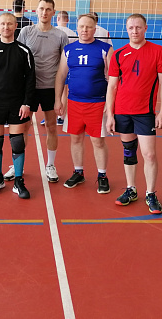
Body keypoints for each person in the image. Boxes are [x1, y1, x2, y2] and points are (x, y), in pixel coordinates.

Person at [106, 14, 162, 214]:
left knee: (149, 154)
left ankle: (150, 193)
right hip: (123, 111)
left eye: (138, 27)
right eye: (131, 28)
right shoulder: (119, 54)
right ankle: (131, 189)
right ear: (126, 29)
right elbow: (112, 87)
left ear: (145, 28)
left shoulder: (158, 51)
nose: (134, 31)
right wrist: (110, 115)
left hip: (145, 112)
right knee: (129, 151)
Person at [4, 0, 69, 183]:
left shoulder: (60, 35)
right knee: (23, 127)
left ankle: (51, 165)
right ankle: (17, 166)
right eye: (41, 9)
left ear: (53, 12)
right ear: (36, 11)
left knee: (51, 126)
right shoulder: (26, 31)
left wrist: (61, 97)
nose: (44, 12)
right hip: (28, 88)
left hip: (50, 87)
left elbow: (64, 66)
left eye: (48, 9)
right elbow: (17, 57)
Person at [54, 13, 113, 193]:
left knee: (98, 141)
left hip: (97, 102)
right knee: (76, 138)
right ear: (77, 28)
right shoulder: (69, 49)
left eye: (88, 27)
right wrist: (58, 100)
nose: (84, 30)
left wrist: (110, 104)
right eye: (81, 27)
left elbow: (113, 79)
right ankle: (78, 172)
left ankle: (102, 176)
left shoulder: (105, 49)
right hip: (74, 102)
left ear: (95, 29)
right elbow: (61, 75)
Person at [0, 13, 36, 199]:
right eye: (3, 24)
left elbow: (31, 80)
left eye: (9, 24)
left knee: (17, 141)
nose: (6, 27)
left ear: (15, 25)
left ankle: (18, 180)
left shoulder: (24, 51)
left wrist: (27, 103)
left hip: (17, 104)